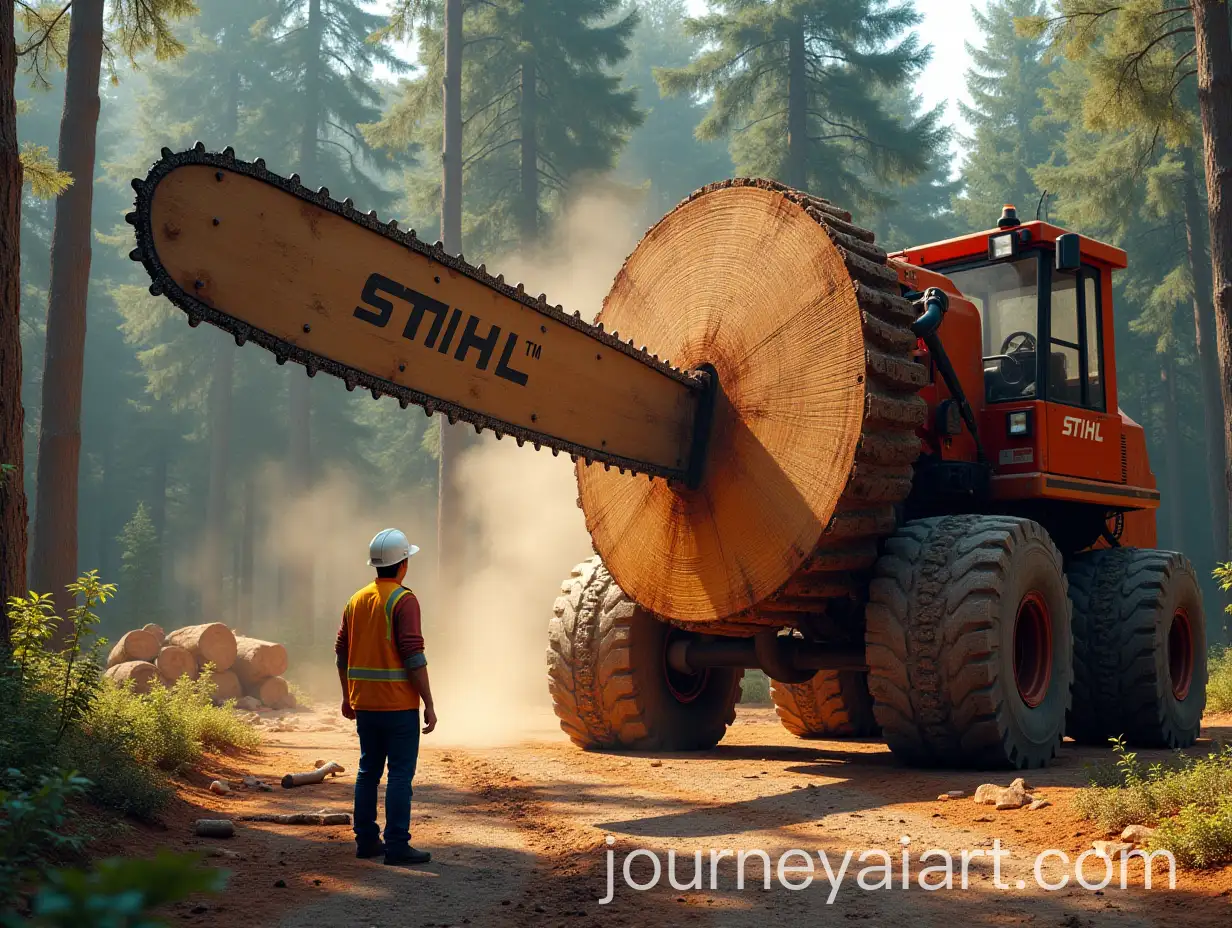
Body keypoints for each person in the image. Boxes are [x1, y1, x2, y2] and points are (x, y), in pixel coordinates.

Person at [335, 528, 437, 866]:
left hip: (365, 705)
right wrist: (429, 703)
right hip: (398, 707)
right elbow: (413, 655)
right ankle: (396, 846)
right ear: (403, 563)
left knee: (368, 772)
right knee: (399, 776)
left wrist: (348, 696)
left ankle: (366, 841)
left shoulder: (356, 600)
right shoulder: (404, 600)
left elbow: (340, 652)